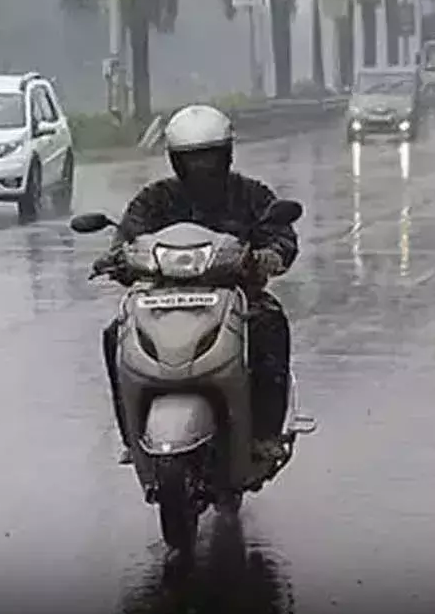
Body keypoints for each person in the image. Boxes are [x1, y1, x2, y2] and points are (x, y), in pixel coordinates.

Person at [91, 104, 297, 466]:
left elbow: (280, 235)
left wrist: (270, 255)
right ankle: (131, 436)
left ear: (227, 154)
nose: (202, 167)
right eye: (192, 159)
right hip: (160, 297)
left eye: (209, 157)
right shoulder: (156, 199)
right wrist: (116, 260)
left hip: (236, 296)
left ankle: (265, 433)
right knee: (114, 335)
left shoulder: (250, 195)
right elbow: (127, 238)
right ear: (176, 160)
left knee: (269, 324)